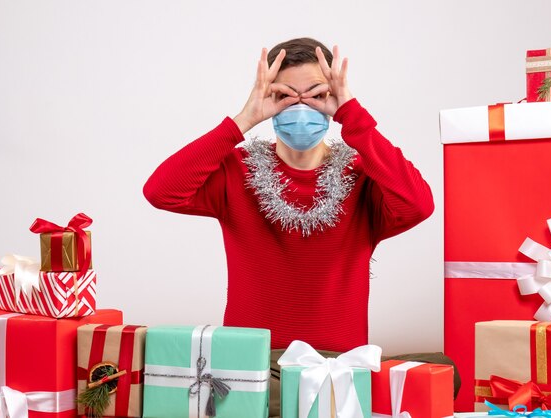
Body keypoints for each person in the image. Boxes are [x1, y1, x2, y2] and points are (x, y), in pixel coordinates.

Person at [144, 37, 457, 416]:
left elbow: (418, 204)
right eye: (286, 95)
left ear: (332, 96)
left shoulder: (362, 177)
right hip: (254, 365)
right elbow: (161, 191)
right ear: (268, 98)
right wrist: (242, 120)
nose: (302, 105)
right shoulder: (236, 172)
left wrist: (352, 115)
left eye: (315, 93)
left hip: (339, 367)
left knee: (443, 373)